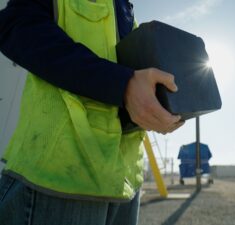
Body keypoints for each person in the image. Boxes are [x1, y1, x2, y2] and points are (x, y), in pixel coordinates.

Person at [0, 0, 184, 224]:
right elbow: (16, 26)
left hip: (124, 186)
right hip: (57, 180)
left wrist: (157, 108)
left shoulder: (125, 8)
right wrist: (121, 85)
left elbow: (132, 77)